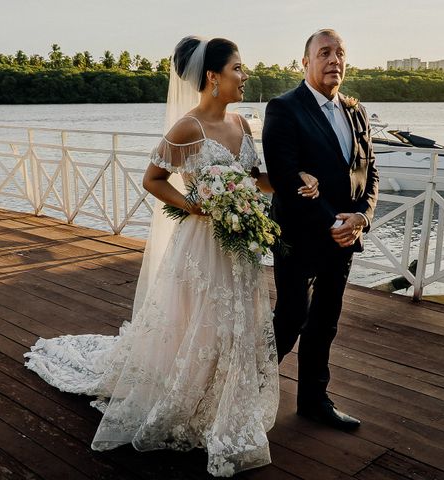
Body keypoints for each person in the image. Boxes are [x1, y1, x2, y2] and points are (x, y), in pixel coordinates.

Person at [24, 36, 317, 477]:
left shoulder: (243, 123)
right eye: (238, 68)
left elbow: (255, 178)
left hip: (240, 243)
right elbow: (153, 179)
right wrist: (195, 205)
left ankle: (221, 398)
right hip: (202, 242)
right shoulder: (188, 128)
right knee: (201, 320)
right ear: (213, 77)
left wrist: (296, 179)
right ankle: (188, 398)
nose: (245, 75)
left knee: (236, 321)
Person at [262, 29, 379, 430]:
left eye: (340, 53)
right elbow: (283, 175)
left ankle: (314, 400)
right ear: (305, 62)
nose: (334, 60)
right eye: (324, 53)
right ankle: (244, 389)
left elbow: (370, 172)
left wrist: (361, 217)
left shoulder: (356, 111)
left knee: (326, 320)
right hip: (299, 236)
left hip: (346, 239)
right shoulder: (284, 108)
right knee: (291, 316)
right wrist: (333, 221)